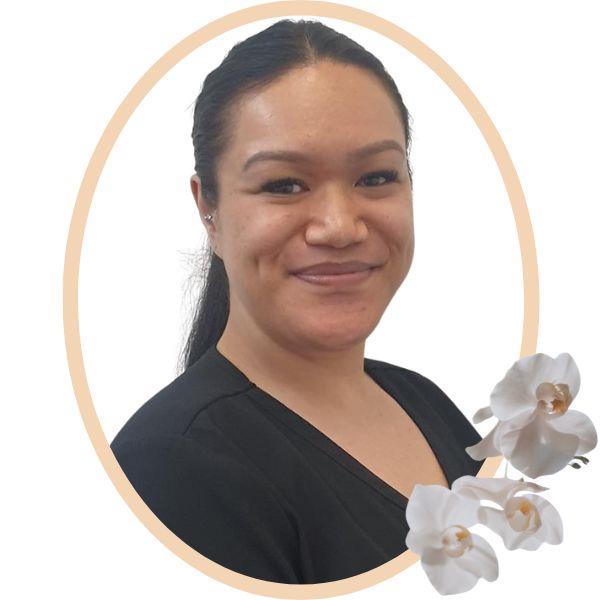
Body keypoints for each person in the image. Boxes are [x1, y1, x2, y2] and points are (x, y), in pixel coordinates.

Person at [111, 18, 484, 584]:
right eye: (284, 185)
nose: (339, 227)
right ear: (208, 209)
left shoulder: (424, 401)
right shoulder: (170, 465)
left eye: (375, 177)